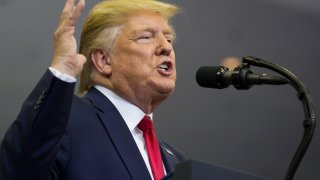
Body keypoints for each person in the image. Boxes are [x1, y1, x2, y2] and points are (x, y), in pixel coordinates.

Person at [0, 0, 185, 179]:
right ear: (104, 61)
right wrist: (62, 69)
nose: (166, 47)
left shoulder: (175, 160)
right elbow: (19, 170)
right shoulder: (64, 119)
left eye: (169, 39)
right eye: (146, 37)